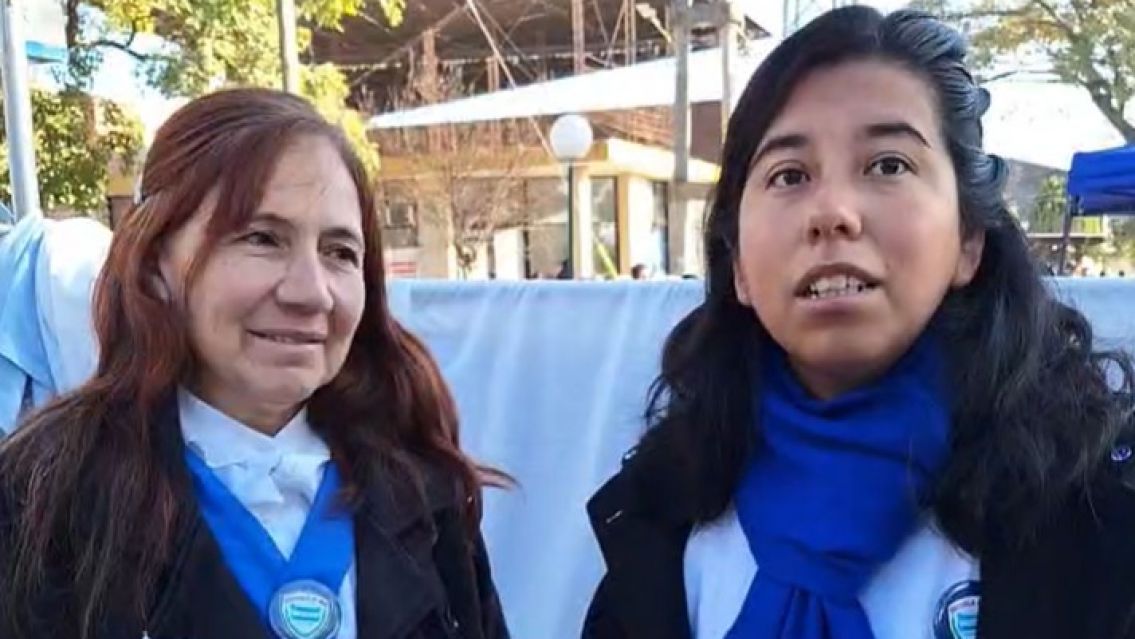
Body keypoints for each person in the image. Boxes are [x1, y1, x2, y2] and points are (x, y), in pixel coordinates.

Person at [582, 8, 1135, 639]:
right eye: (789, 175)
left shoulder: (1095, 515)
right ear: (737, 264)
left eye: (888, 165)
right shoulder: (661, 516)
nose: (834, 213)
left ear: (969, 239)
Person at [0, 89, 509, 639]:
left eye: (339, 252)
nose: (312, 293)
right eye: (262, 239)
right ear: (152, 265)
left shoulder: (423, 489)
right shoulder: (44, 498)